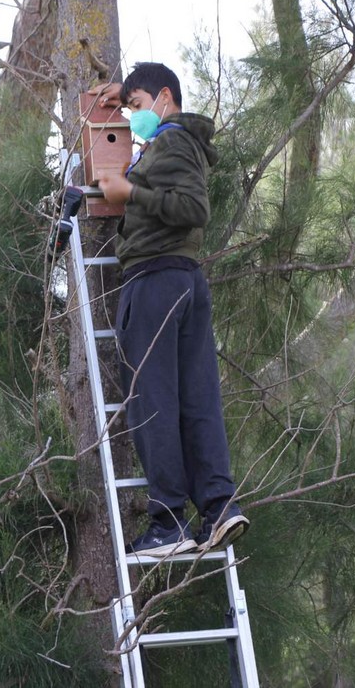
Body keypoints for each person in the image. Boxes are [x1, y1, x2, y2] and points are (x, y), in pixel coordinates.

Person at [93, 62, 249, 557]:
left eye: (137, 107)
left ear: (164, 97)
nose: (133, 117)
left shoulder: (173, 139)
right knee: (197, 399)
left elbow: (194, 208)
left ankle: (168, 523)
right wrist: (122, 94)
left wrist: (128, 191)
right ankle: (218, 509)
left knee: (152, 401)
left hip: (156, 282)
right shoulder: (175, 141)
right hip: (184, 281)